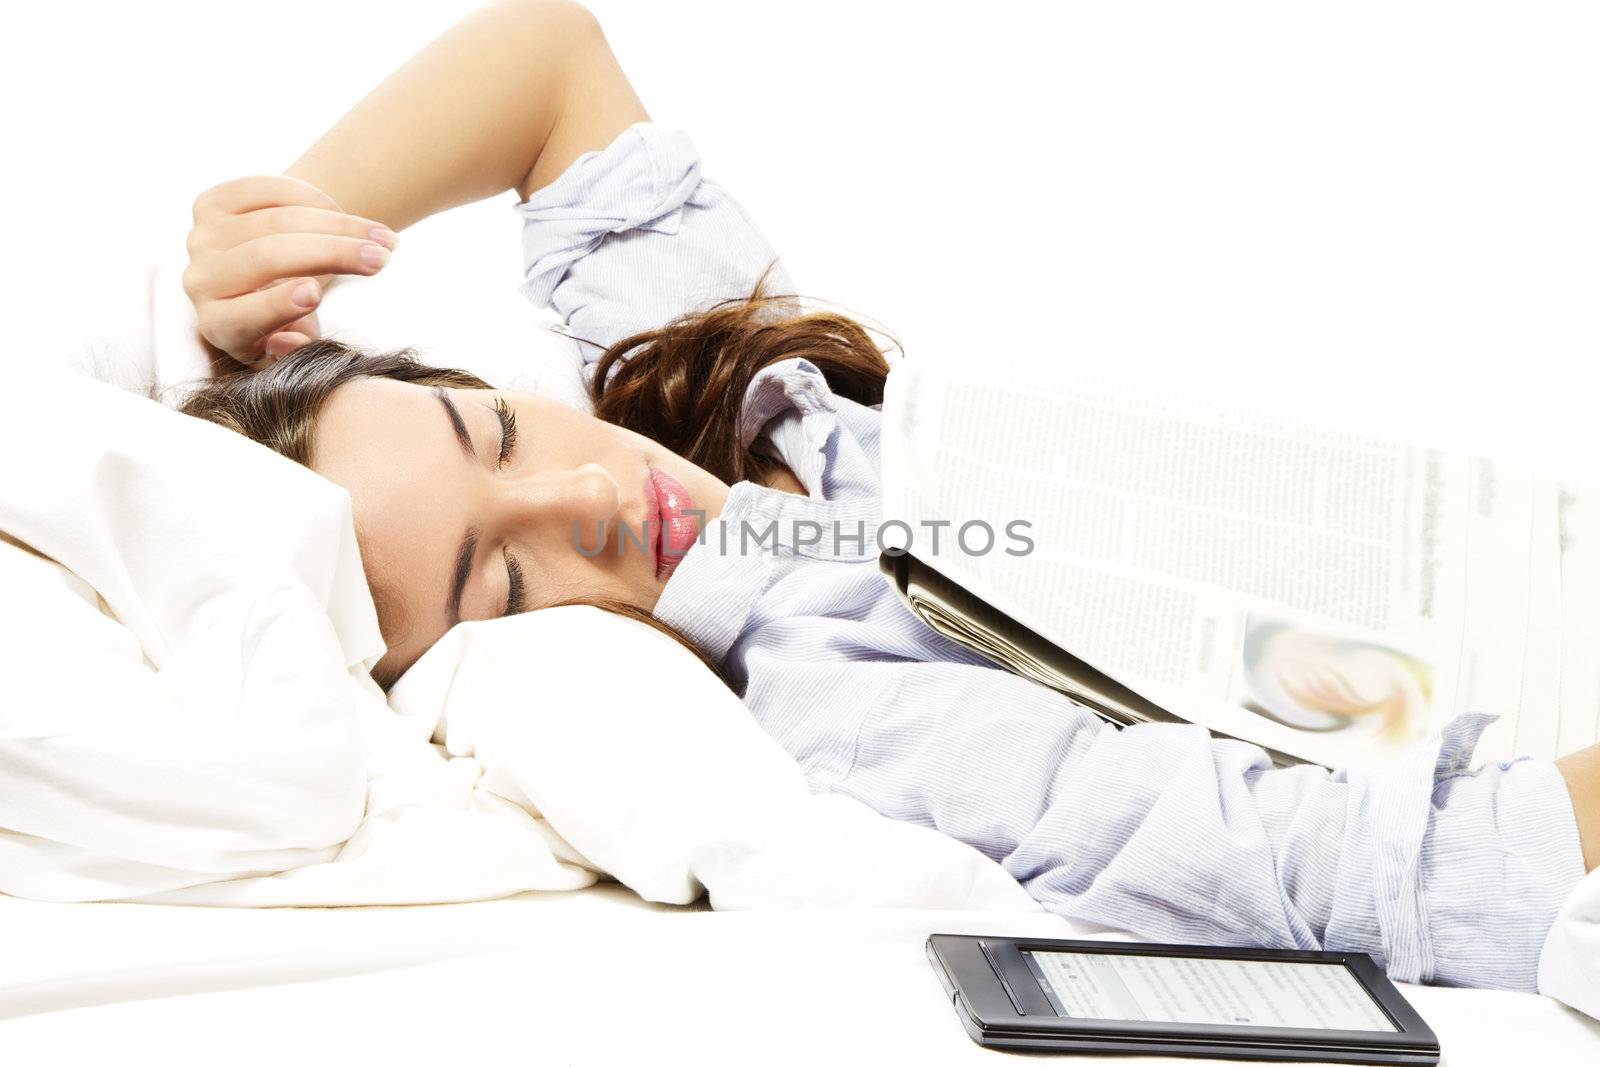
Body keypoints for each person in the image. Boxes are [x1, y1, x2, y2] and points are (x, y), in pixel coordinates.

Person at [177, 0, 1598, 991]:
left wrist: (276, 235)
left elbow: (550, 58)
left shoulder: (701, 419)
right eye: (506, 581)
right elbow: (1403, 871)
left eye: (493, 433)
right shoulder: (854, 719)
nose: (590, 497)